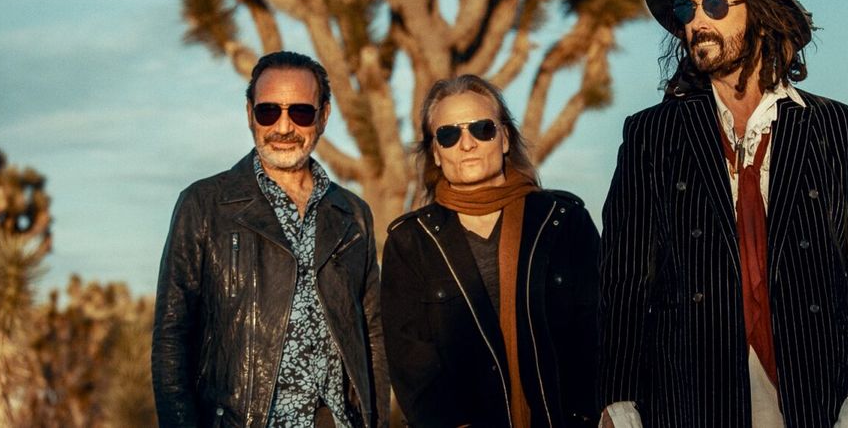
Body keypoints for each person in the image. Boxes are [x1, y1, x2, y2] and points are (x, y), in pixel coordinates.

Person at [598, 0, 848, 427]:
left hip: (818, 397)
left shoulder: (840, 128)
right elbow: (624, 280)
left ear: (760, 13)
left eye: (715, 4)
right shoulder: (652, 135)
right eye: (686, 9)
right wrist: (619, 401)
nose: (697, 21)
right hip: (693, 399)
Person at [151, 51, 390, 427]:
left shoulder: (353, 214)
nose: (283, 126)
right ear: (250, 114)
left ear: (324, 116)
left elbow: (373, 334)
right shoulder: (204, 205)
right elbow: (171, 337)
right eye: (268, 111)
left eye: (301, 112)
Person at [382, 75, 600, 427]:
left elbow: (597, 332)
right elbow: (412, 365)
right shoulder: (411, 242)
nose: (467, 144)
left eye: (482, 128)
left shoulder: (564, 221)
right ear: (436, 153)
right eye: (449, 135)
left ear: (505, 138)